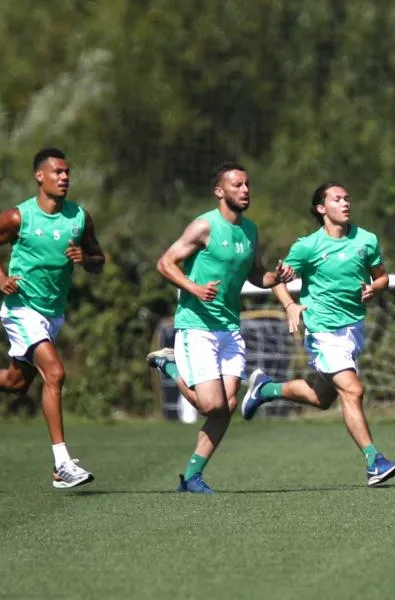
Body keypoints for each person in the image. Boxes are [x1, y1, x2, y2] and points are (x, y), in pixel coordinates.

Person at [0, 147, 104, 490]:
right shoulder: (18, 217)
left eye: (67, 172)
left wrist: (86, 258)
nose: (64, 177)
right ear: (39, 176)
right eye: (57, 172)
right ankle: (62, 465)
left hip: (51, 315)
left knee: (18, 384)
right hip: (20, 309)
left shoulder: (79, 218)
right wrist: (0, 277)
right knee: (56, 373)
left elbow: (98, 259)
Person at [239, 182, 395, 487]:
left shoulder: (366, 240)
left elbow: (382, 277)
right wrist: (290, 304)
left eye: (347, 198)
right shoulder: (307, 246)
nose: (345, 203)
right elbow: (276, 279)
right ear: (321, 208)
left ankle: (265, 389)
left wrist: (373, 288)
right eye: (337, 199)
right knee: (353, 391)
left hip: (353, 330)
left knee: (321, 398)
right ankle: (374, 462)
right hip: (322, 331)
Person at [146, 162, 294, 494]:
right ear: (220, 191)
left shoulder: (250, 231)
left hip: (229, 326)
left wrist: (276, 277)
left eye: (247, 185)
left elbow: (257, 275)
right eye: (237, 185)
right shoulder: (203, 227)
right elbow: (165, 263)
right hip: (196, 326)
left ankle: (192, 477)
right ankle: (168, 364)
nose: (245, 190)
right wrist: (194, 288)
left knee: (227, 407)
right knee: (211, 406)